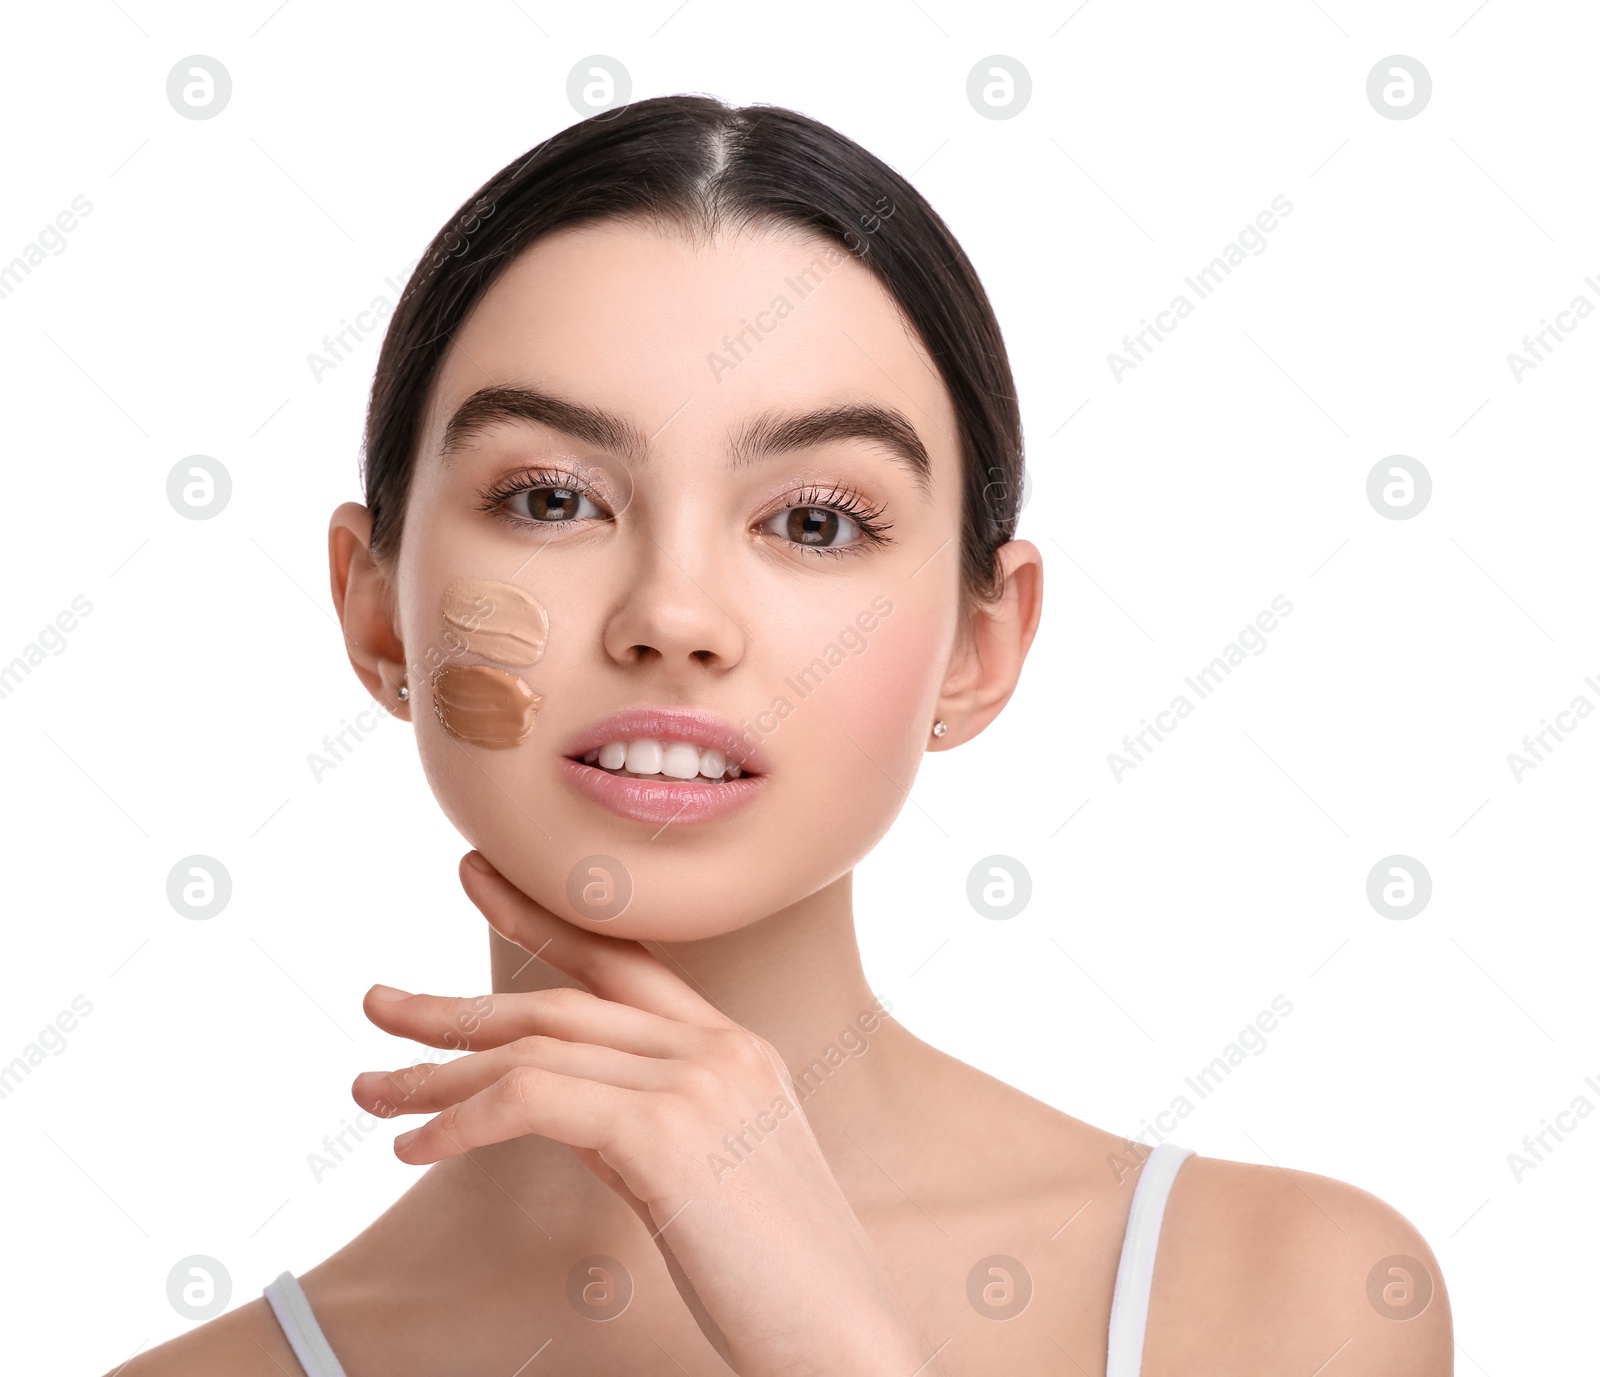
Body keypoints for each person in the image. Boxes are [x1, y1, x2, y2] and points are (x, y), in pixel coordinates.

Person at [114, 94, 1450, 1376]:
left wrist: (839, 1347)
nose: (673, 616)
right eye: (552, 497)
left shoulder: (1291, 1300)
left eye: (814, 520)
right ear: (374, 609)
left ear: (983, 645)